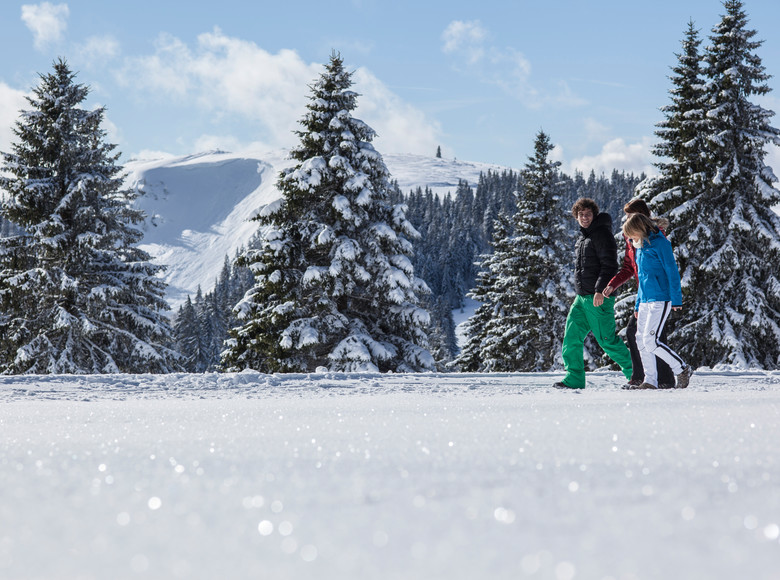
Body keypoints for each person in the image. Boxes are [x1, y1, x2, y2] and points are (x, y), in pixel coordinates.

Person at [553, 198, 633, 389]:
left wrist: (599, 291)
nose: (584, 217)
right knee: (571, 338)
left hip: (599, 297)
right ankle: (575, 378)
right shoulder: (583, 237)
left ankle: (636, 374)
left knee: (608, 342)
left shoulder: (602, 235)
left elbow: (609, 265)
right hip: (581, 298)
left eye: (588, 214)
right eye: (581, 214)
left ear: (594, 215)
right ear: (576, 217)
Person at [602, 199, 675, 389]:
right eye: (626, 215)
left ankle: (662, 378)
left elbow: (669, 269)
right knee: (640, 335)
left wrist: (674, 297)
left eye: (630, 215)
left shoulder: (655, 238)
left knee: (649, 336)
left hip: (658, 294)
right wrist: (612, 285)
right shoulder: (632, 238)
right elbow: (629, 267)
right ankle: (648, 377)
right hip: (644, 294)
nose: (627, 218)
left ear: (641, 216)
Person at [621, 213, 694, 390]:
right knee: (640, 340)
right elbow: (642, 279)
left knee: (651, 341)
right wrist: (638, 304)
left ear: (639, 230)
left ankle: (682, 368)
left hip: (660, 299)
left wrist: (676, 299)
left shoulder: (661, 243)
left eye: (631, 234)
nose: (630, 238)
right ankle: (650, 380)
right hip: (645, 300)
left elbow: (672, 272)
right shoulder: (641, 247)